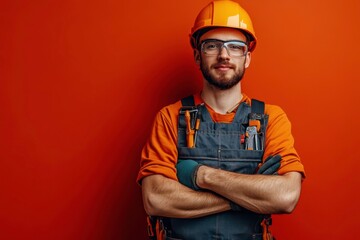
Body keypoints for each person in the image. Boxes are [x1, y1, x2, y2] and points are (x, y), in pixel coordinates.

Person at [137, 0, 305, 239]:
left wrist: (200, 176)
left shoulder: (271, 118)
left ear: (247, 58)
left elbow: (286, 197)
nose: (224, 55)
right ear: (197, 56)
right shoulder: (170, 117)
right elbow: (155, 199)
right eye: (212, 46)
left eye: (235, 47)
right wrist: (249, 195)